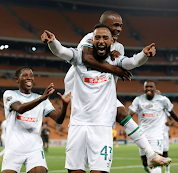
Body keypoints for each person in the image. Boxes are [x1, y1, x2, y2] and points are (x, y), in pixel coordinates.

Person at [41, 23, 168, 173]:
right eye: (98, 37)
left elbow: (133, 62)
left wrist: (144, 54)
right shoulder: (79, 57)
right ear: (92, 40)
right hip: (78, 126)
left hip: (102, 128)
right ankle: (150, 153)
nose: (101, 40)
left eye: (105, 38)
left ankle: (150, 153)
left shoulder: (115, 59)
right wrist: (52, 42)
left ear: (111, 41)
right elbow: (61, 51)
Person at [1, 66, 71, 173]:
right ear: (17, 79)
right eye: (25, 75)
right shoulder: (10, 94)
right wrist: (42, 98)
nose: (29, 78)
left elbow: (58, 119)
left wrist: (65, 105)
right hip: (13, 149)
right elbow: (20, 109)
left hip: (35, 150)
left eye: (31, 75)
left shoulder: (42, 99)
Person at [128, 81, 178, 173]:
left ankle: (167, 170)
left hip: (157, 136)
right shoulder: (138, 100)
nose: (149, 89)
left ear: (155, 88)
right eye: (147, 86)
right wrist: (124, 121)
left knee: (156, 162)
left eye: (151, 87)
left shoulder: (163, 100)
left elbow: (173, 115)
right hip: (142, 136)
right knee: (145, 164)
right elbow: (129, 114)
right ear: (144, 88)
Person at [155, 89, 175, 173]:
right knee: (155, 154)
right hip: (154, 133)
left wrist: (169, 123)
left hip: (163, 133)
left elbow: (172, 120)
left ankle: (167, 170)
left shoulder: (164, 107)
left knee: (165, 153)